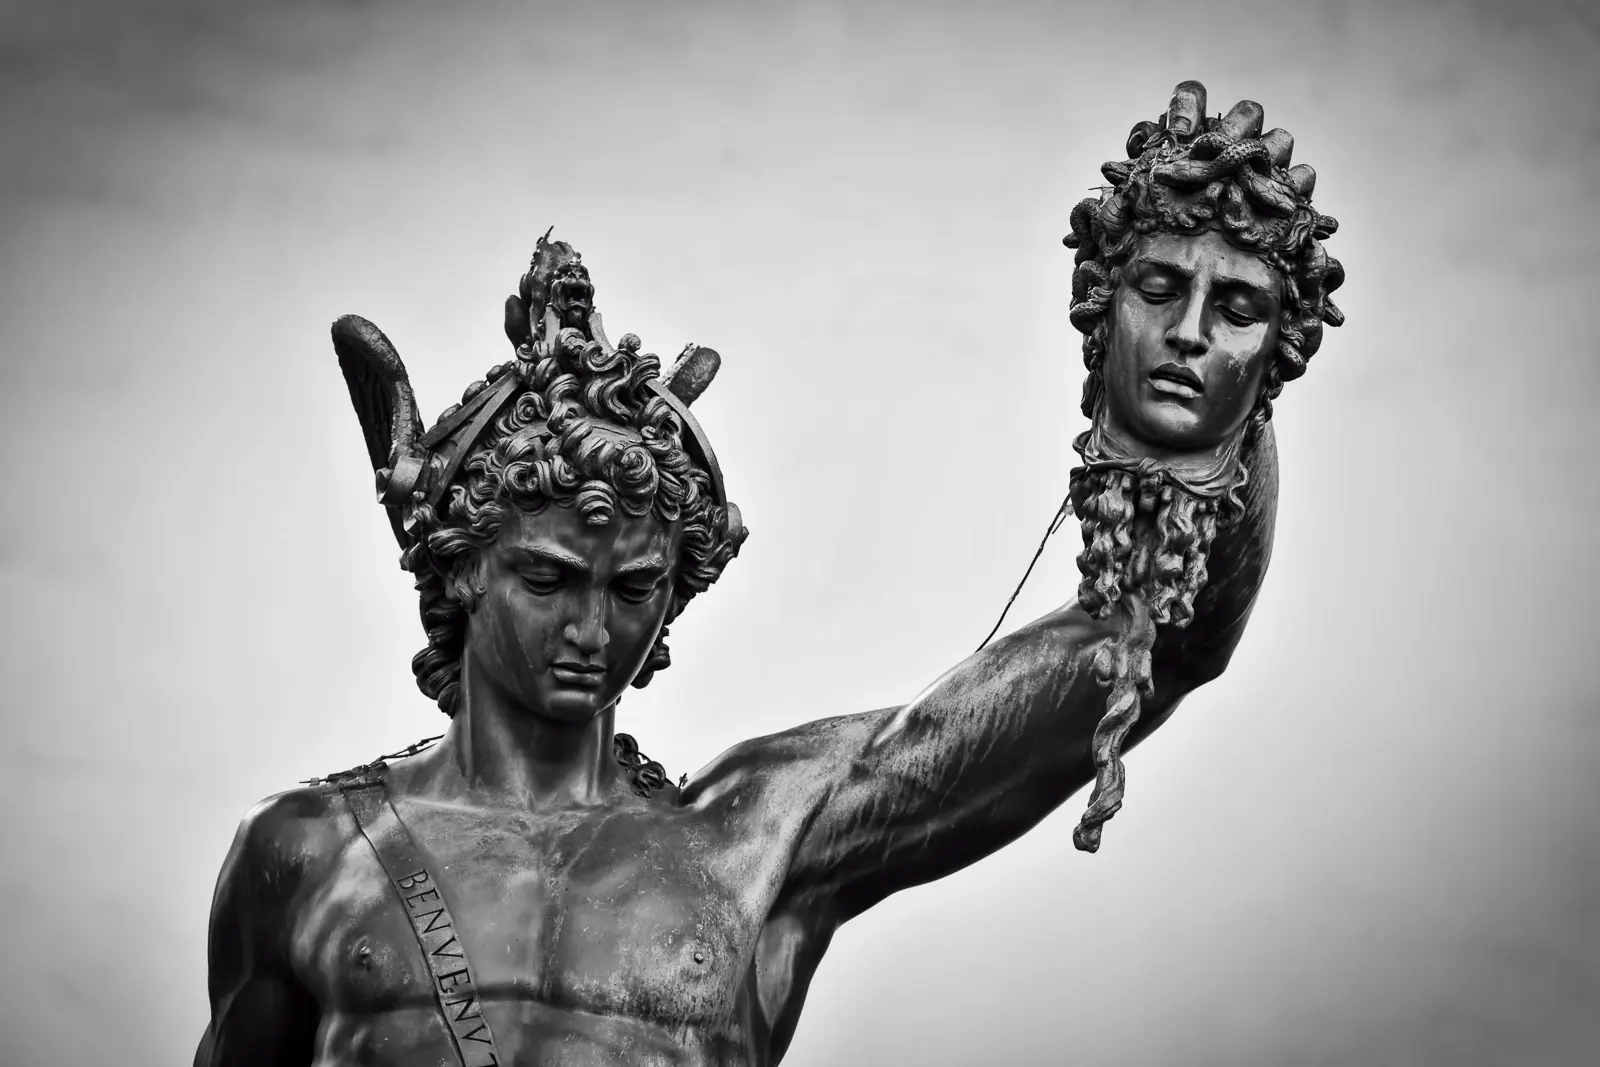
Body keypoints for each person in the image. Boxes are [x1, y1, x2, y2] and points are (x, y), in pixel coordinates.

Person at [195, 81, 1344, 1067]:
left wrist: (1209, 418)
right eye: (547, 579)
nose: (593, 627)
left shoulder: (752, 838)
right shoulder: (305, 853)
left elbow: (1158, 641)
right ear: (461, 574)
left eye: (634, 587)